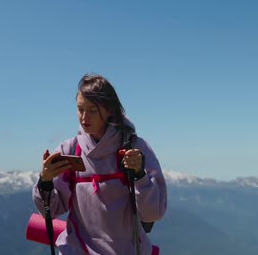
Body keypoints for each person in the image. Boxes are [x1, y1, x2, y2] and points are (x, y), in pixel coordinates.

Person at [32, 73, 168, 255]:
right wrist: (45, 181)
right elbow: (52, 210)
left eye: (92, 110)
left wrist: (140, 176)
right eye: (80, 109)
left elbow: (154, 213)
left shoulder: (134, 148)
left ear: (110, 110)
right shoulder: (70, 150)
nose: (84, 117)